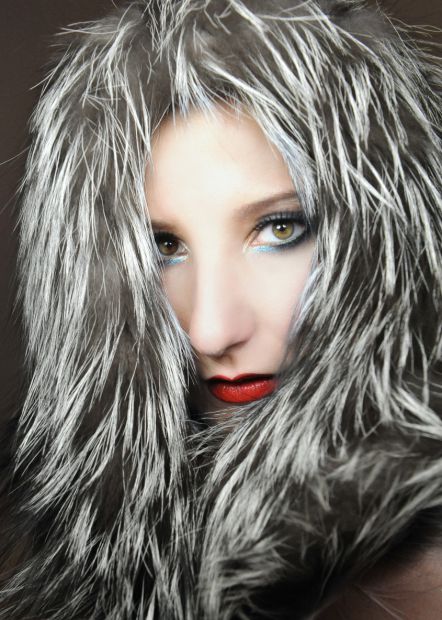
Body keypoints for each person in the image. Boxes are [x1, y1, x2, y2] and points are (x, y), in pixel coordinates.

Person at [0, 0, 440, 618]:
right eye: (165, 246)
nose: (209, 330)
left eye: (280, 229)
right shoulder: (72, 567)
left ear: (389, 239)